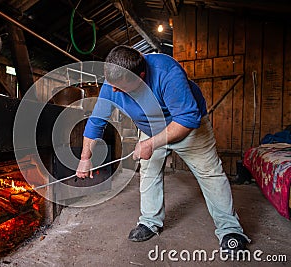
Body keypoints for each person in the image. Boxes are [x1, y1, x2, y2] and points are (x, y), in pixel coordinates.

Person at [75, 45, 250, 254]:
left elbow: (187, 119)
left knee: (209, 174)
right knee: (149, 173)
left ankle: (231, 231)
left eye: (120, 88)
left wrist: (150, 144)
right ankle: (149, 222)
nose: (113, 91)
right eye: (111, 85)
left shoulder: (167, 73)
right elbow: (96, 122)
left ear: (140, 76)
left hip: (186, 126)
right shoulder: (113, 83)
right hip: (150, 127)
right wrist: (85, 158)